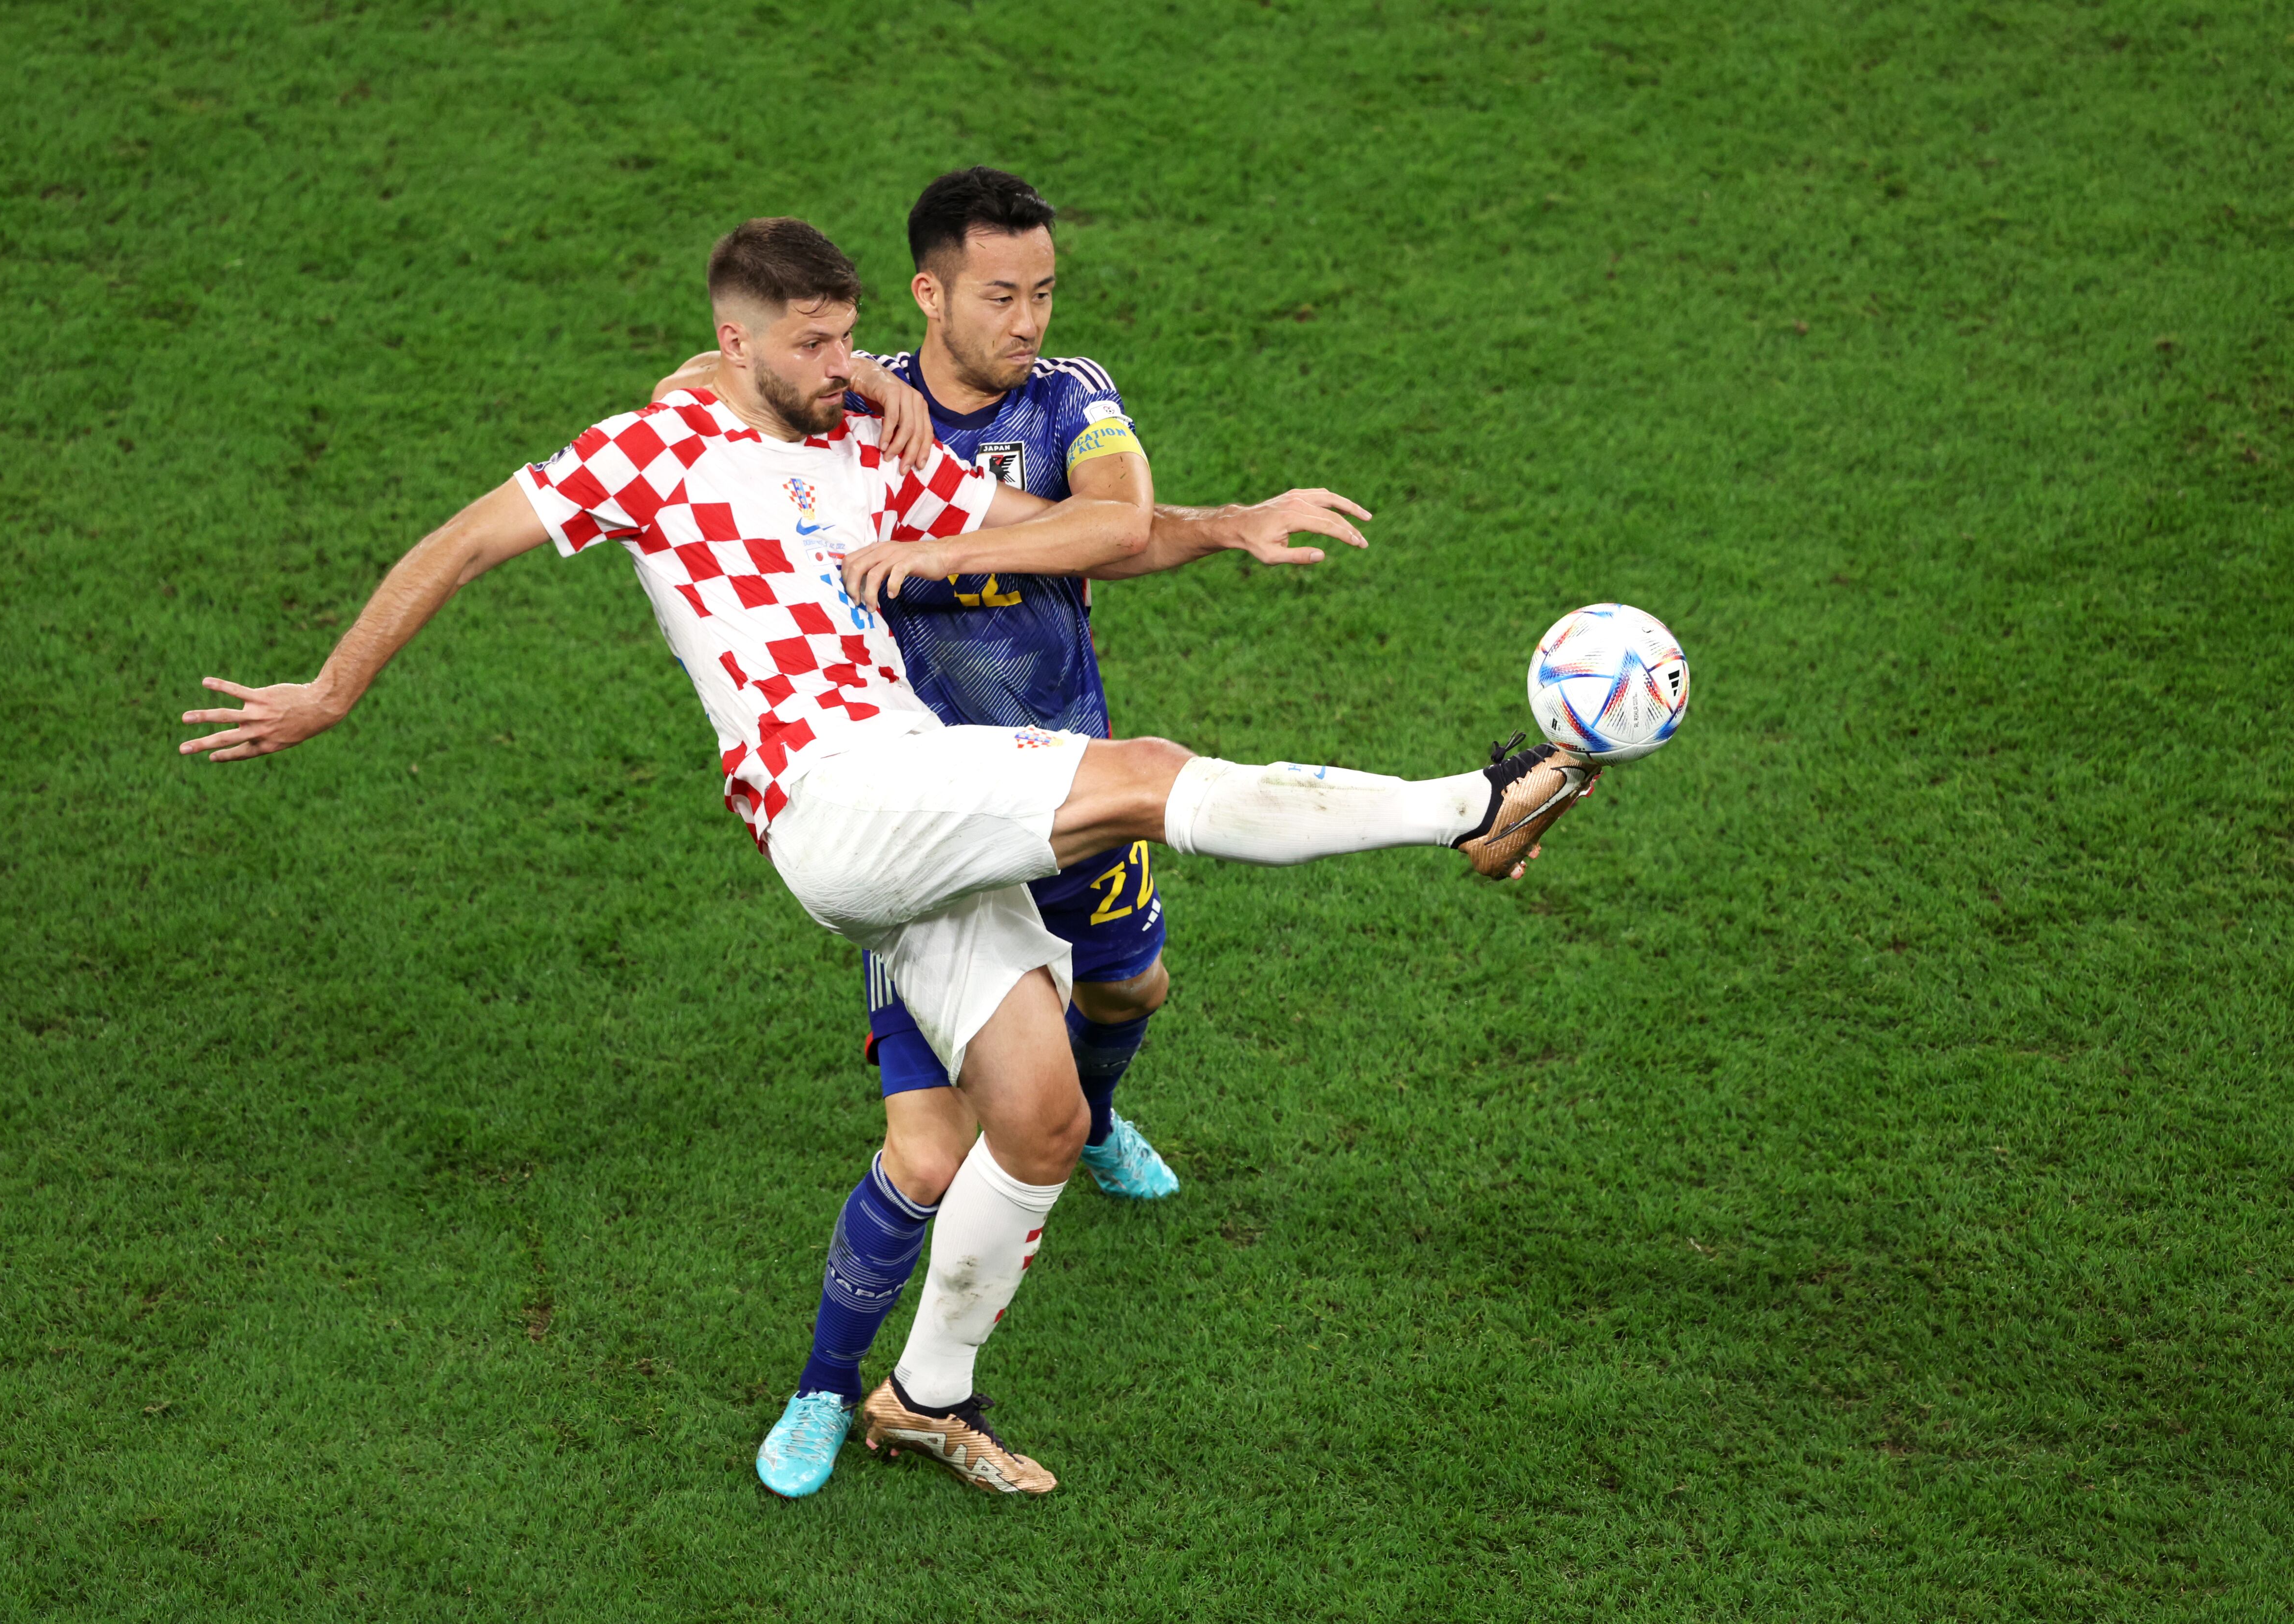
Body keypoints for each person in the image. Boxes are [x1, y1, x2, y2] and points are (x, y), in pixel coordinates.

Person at [179, 216, 1596, 1499]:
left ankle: (923, 1398)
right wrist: (333, 688)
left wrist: (1223, 525)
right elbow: (462, 544)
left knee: (1035, 1118)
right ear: (734, 339)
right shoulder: (650, 450)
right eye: (811, 342)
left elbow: (1065, 539)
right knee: (1150, 780)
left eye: (848, 336)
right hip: (834, 798)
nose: (844, 363)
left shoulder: (868, 452)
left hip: (917, 790)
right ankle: (1469, 802)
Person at [654, 170, 1378, 1499]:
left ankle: (1089, 1125)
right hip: (924, 824)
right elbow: (701, 404)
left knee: (1129, 987)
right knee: (928, 1152)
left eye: (1043, 290)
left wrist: (1224, 527)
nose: (1030, 319)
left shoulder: (1068, 399)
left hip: (1071, 787)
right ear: (929, 293)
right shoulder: (852, 404)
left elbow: (1112, 526)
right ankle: (828, 1389)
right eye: (1002, 294)